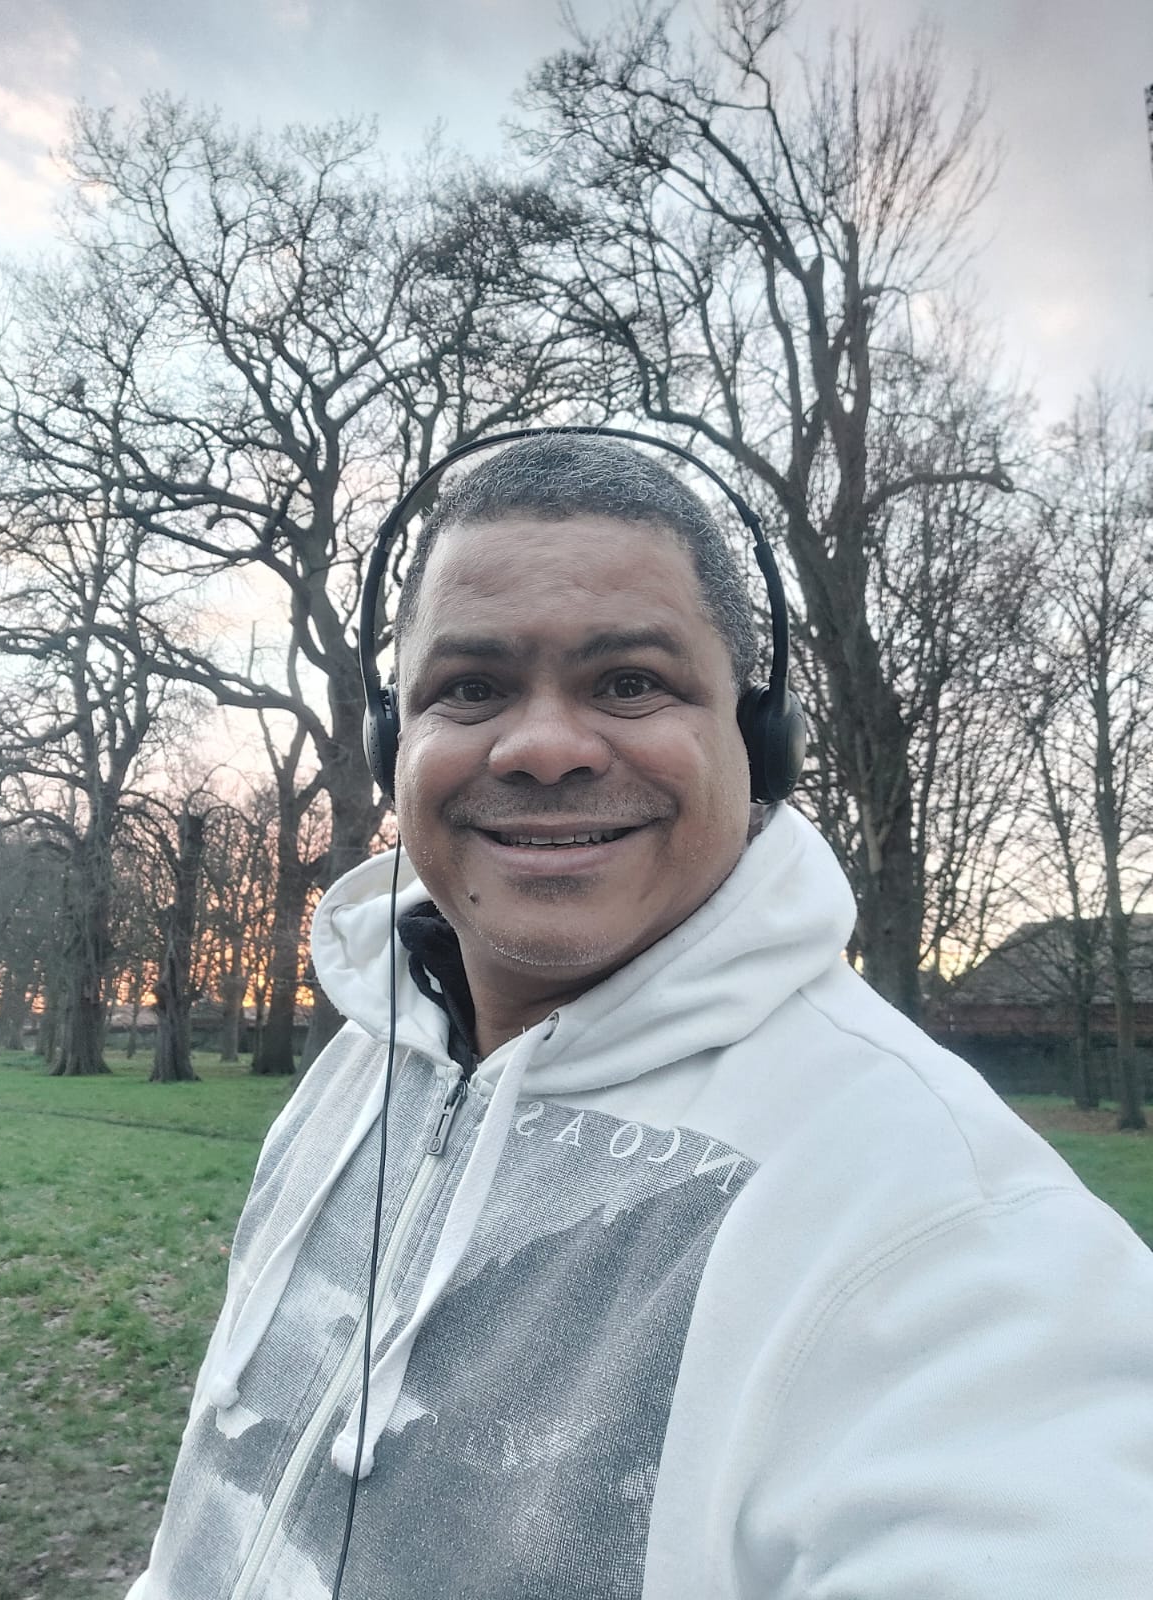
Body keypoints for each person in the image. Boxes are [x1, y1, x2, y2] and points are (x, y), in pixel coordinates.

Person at [128, 435, 1153, 1600]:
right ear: (392, 739)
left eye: (629, 682)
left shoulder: (946, 1221)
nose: (544, 747)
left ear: (760, 746)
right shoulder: (365, 1061)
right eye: (471, 686)